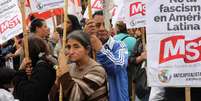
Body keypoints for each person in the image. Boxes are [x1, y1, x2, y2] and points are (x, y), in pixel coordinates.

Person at [49, 30, 108, 101]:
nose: (71, 51)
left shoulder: (97, 70)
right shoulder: (70, 68)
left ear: (88, 49)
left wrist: (64, 71)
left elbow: (75, 97)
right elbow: (51, 98)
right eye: (68, 47)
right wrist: (58, 79)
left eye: (76, 47)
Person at [84, 10, 129, 101]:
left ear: (111, 27)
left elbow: (118, 65)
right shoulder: (85, 48)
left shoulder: (119, 45)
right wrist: (84, 38)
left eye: (105, 24)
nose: (101, 28)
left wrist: (100, 50)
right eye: (97, 25)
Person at [13, 36, 56, 101]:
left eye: (23, 49)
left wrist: (20, 71)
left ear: (29, 52)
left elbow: (28, 95)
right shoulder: (45, 63)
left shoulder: (42, 69)